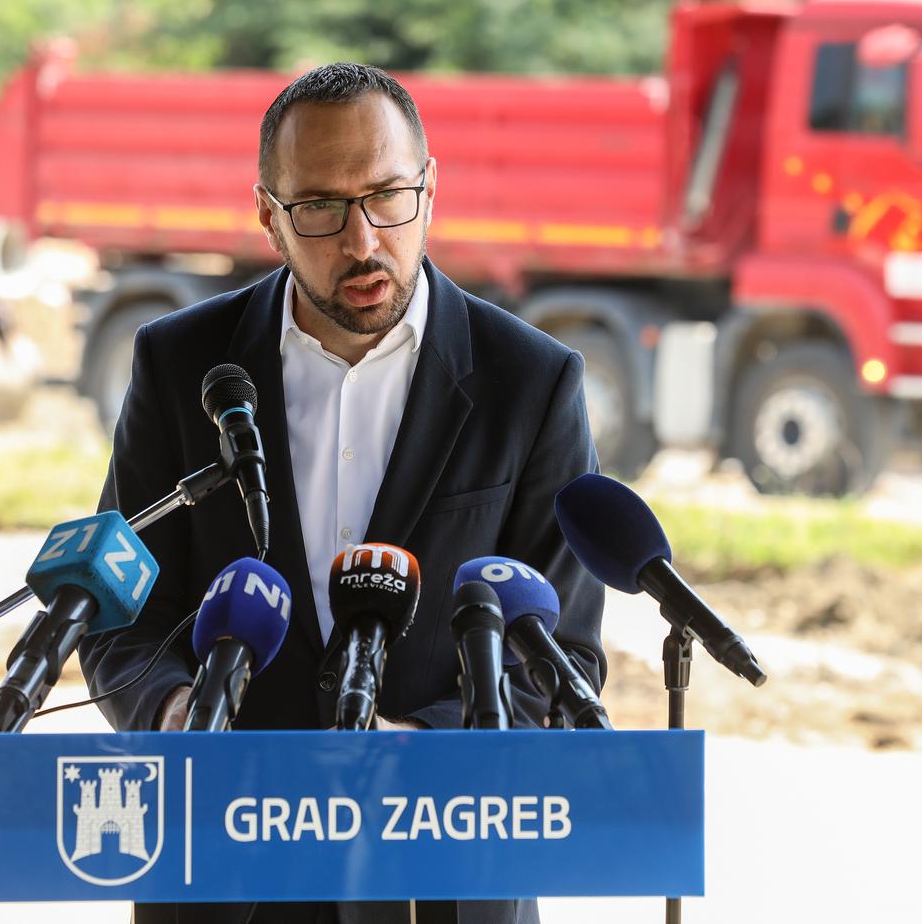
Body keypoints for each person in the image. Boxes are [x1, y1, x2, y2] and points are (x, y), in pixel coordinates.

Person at [79, 63, 607, 924]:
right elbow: (124, 613)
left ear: (431, 191)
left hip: (439, 876)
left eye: (389, 196)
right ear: (267, 216)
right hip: (220, 873)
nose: (363, 240)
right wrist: (173, 708)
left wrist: (425, 752)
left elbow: (558, 659)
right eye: (320, 208)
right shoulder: (181, 366)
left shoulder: (534, 382)